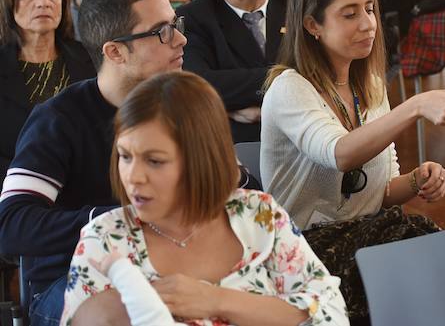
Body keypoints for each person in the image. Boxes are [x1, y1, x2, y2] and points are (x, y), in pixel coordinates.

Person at [261, 0, 445, 321]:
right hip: (305, 249)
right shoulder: (289, 87)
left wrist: (418, 179)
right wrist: (415, 106)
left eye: (370, 9)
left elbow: (380, 193)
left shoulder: (369, 85)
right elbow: (339, 155)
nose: (368, 24)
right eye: (350, 13)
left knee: (439, 269)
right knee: (417, 273)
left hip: (367, 238)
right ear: (313, 25)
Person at [60, 71, 346, 326]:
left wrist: (215, 300)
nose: (133, 176)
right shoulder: (105, 241)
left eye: (155, 161)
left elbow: (330, 313)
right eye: (124, 156)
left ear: (201, 160)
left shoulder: (260, 216)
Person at [0, 0, 185, 326]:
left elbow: (241, 187)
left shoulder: (182, 104)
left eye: (176, 25)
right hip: (71, 282)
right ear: (114, 51)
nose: (180, 39)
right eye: (161, 31)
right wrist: (120, 220)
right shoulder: (58, 119)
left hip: (170, 269)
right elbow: (11, 224)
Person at [178, 0, 286, 143]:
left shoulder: (296, 3)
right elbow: (198, 84)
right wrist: (290, 76)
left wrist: (230, 100)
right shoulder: (193, 19)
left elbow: (324, 68)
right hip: (235, 143)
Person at [0, 0, 95, 184]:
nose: (43, 2)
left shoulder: (90, 58)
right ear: (11, 2)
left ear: (63, 0)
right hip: (14, 195)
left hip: (84, 191)